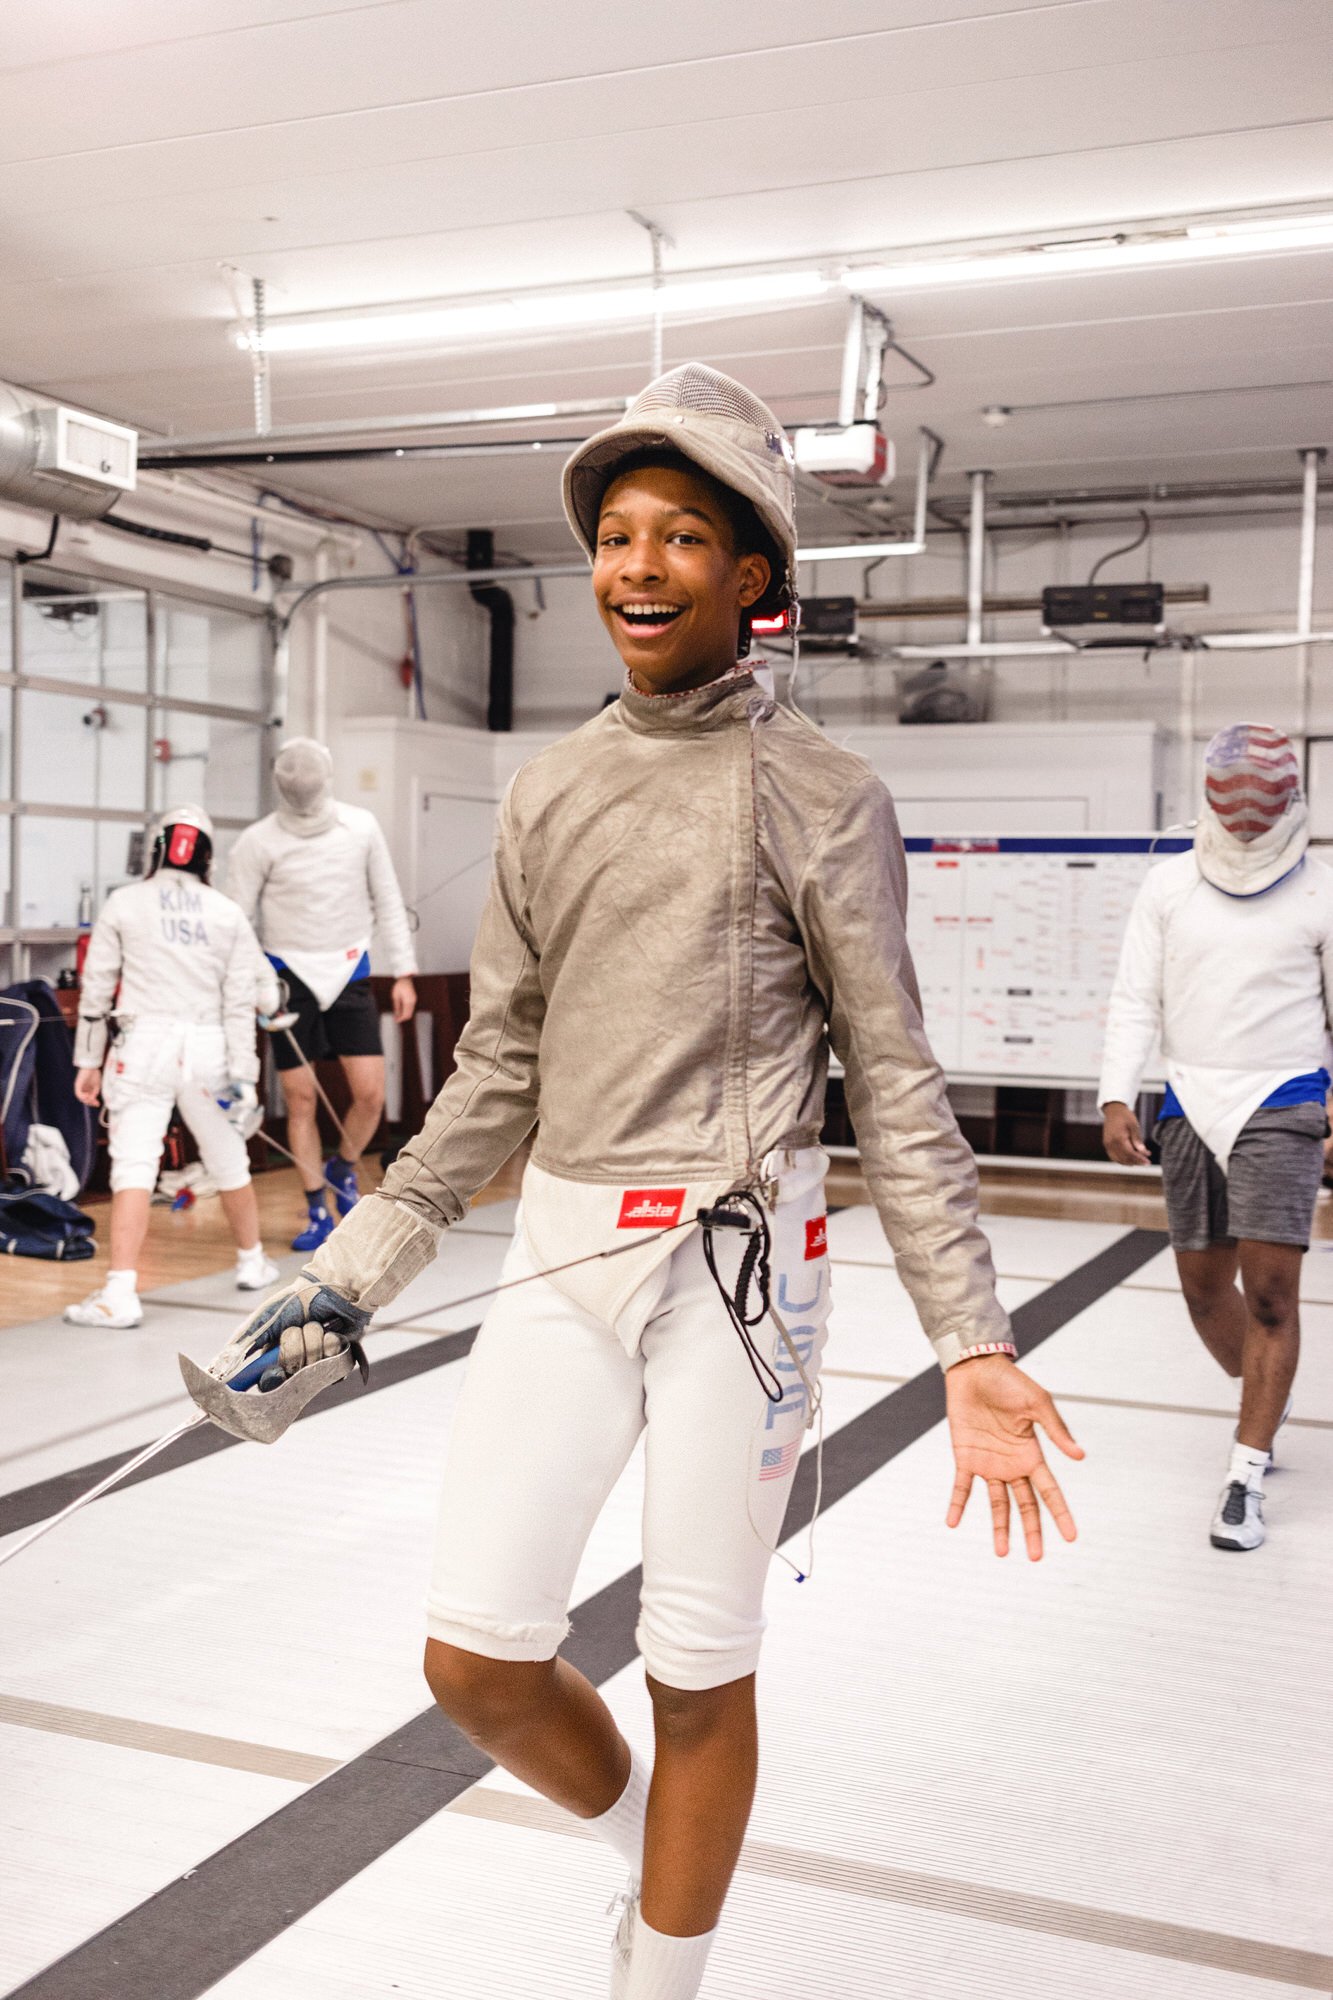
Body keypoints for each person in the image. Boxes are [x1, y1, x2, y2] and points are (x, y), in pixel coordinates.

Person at [233, 366, 1083, 2000]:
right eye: (614, 535)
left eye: (680, 536)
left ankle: (662, 1971)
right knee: (473, 1662)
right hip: (564, 1250)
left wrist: (969, 1340)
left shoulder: (823, 798)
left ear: (751, 577)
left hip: (739, 1277)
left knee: (697, 1676)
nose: (633, 566)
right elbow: (498, 1071)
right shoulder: (549, 792)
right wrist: (353, 1275)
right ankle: (655, 1866)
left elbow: (892, 1077)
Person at [1100, 722, 1333, 1551]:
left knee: (1270, 1295)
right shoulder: (1168, 886)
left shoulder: (1321, 891)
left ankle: (1244, 1472)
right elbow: (1136, 997)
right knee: (1205, 1293)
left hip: (1283, 1096)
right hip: (1188, 1096)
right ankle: (1265, 1397)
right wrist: (1114, 1096)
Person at [66, 804, 279, 1329]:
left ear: (157, 847)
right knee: (228, 1158)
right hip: (209, 1050)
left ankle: (120, 1291)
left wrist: (88, 1061)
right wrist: (246, 1078)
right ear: (206, 857)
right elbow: (254, 998)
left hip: (142, 1047)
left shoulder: (123, 902)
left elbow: (97, 988)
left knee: (134, 1166)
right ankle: (252, 1262)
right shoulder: (226, 912)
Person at [224, 738, 418, 1252]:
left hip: (351, 971)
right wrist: (249, 985)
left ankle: (344, 1167)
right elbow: (236, 923)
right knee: (301, 1099)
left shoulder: (360, 828)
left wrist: (404, 973)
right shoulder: (257, 842)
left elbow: (389, 900)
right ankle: (316, 1207)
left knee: (370, 1094)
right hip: (286, 977)